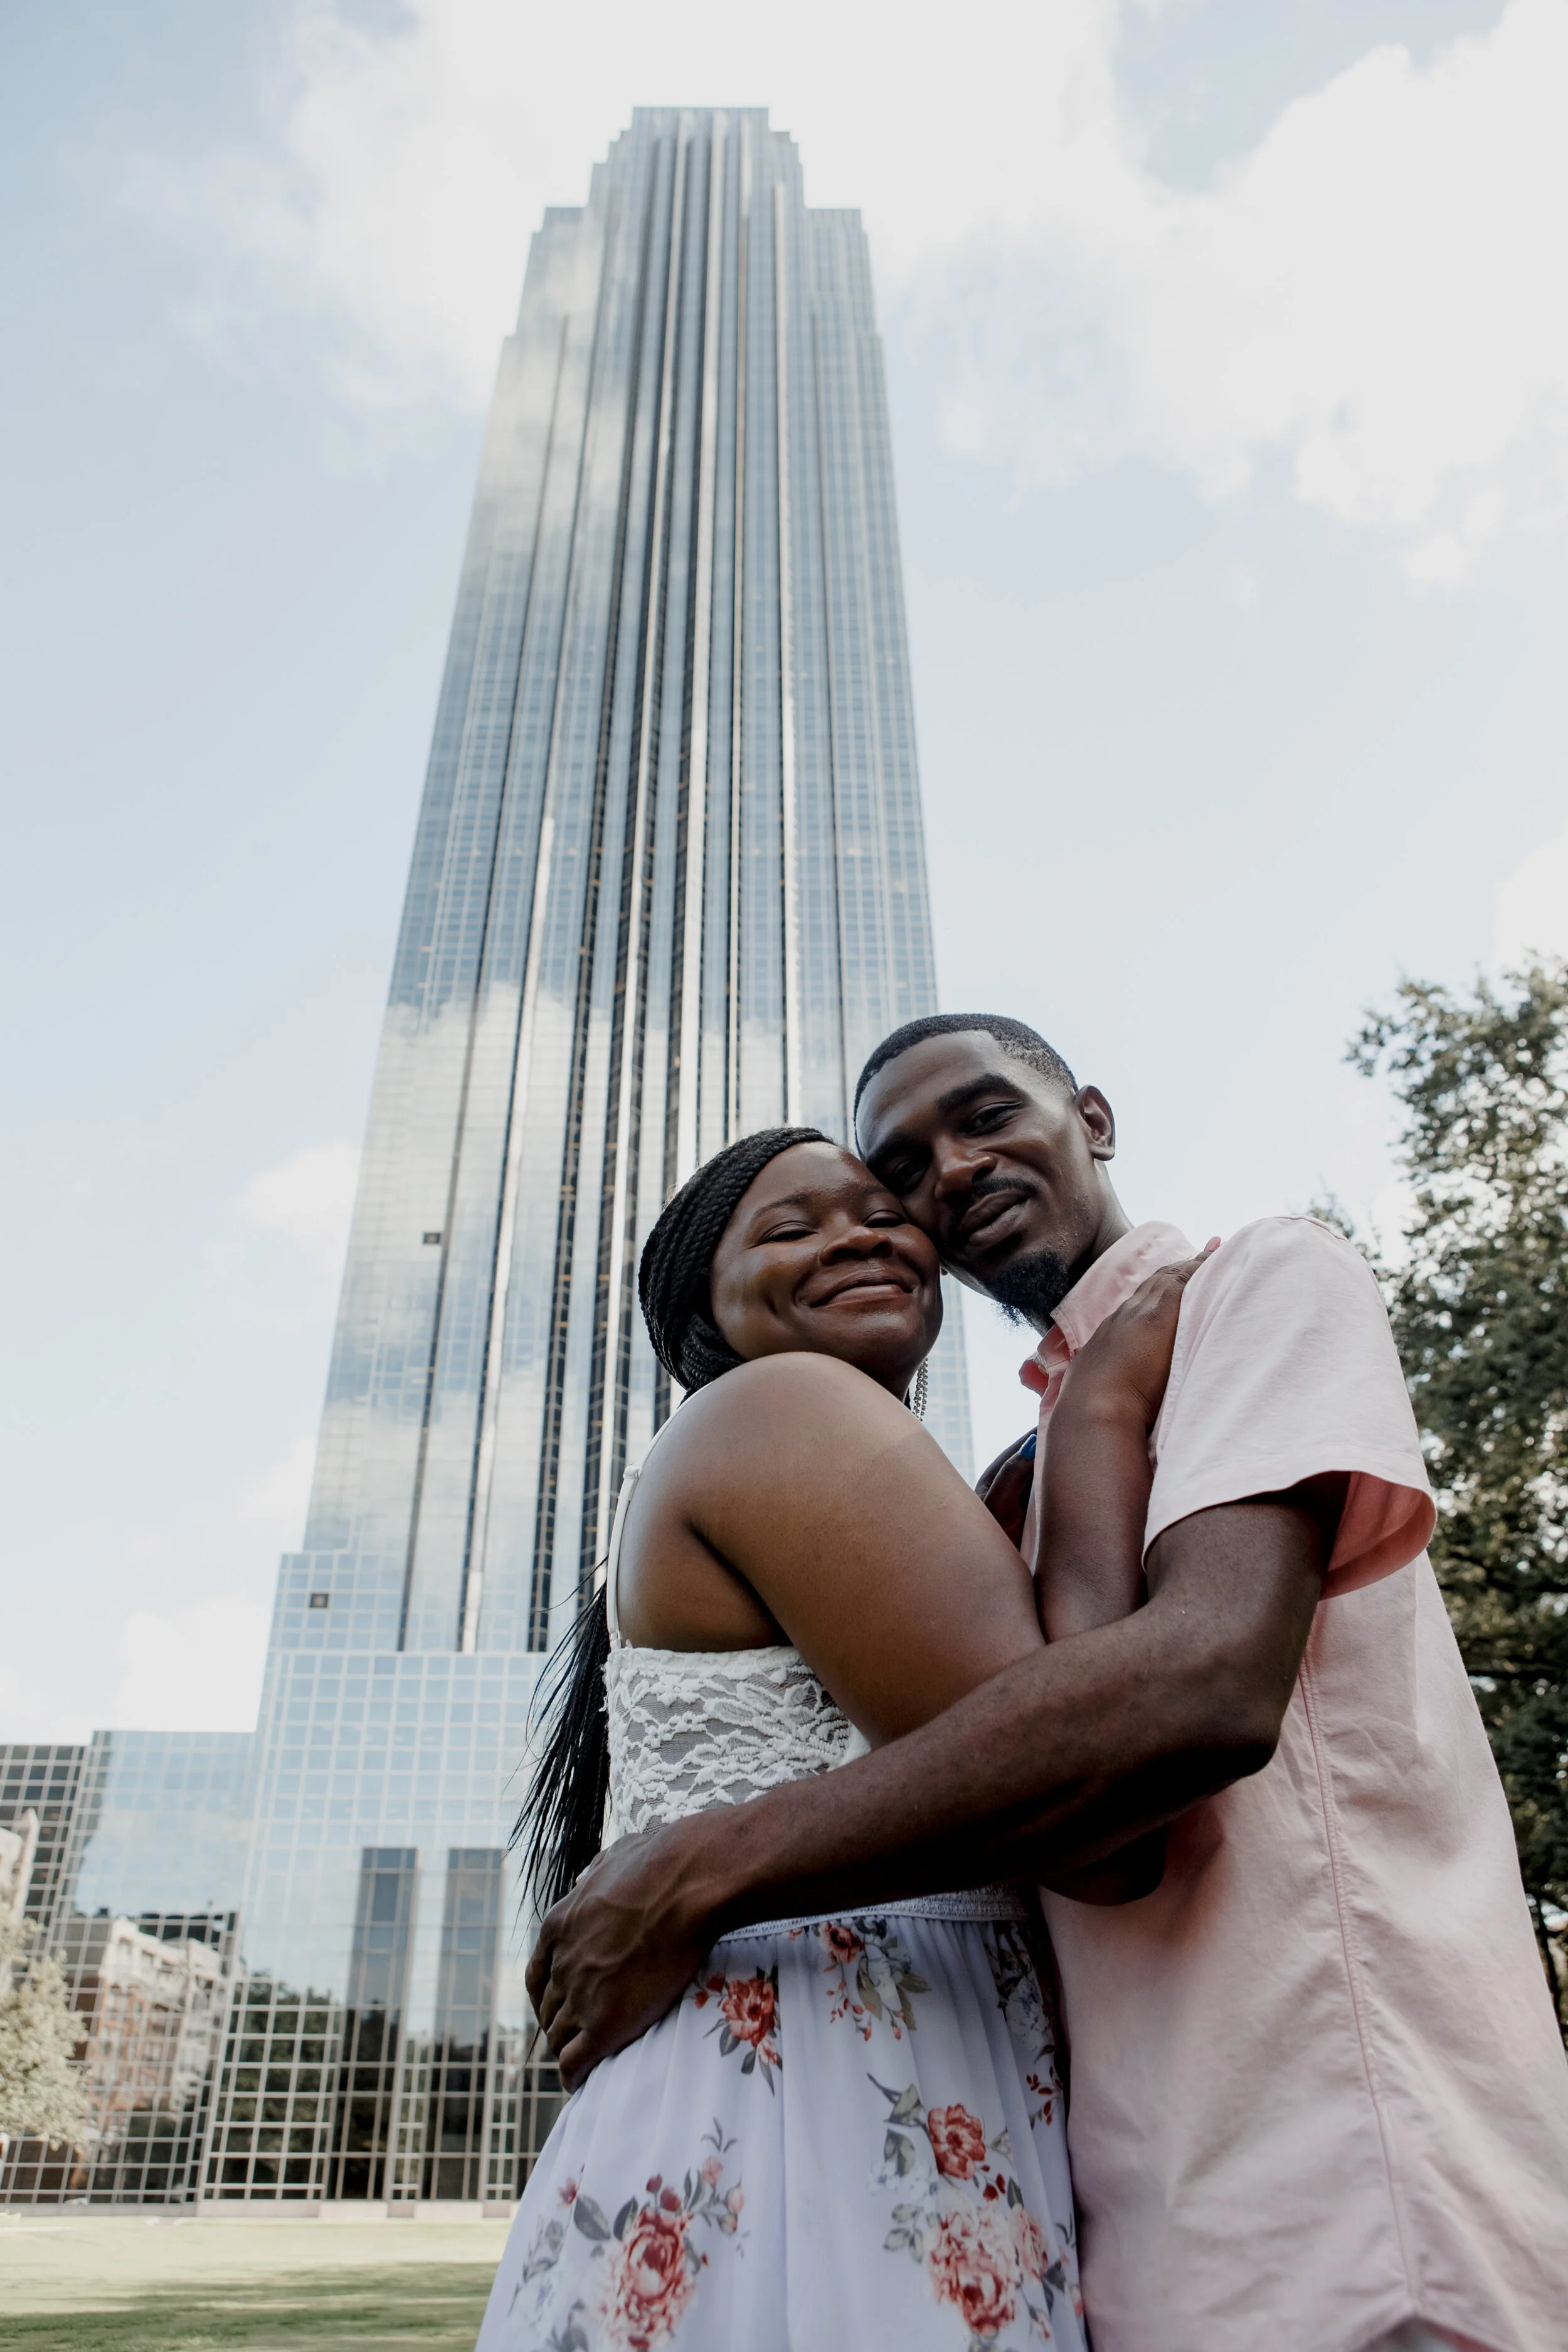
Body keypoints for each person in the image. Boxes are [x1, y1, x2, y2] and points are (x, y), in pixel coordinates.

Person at [528, 1018, 1568, 2352]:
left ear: (1091, 1114)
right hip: (1112, 2201)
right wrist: (1082, 1436)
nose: (940, 1177)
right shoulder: (958, 1475)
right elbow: (1069, 1774)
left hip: (1344, 2172)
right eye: (898, 1164)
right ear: (697, 1319)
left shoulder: (1241, 1288)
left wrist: (700, 1865)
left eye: (983, 1117)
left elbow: (1189, 1692)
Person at [479, 1123, 1203, 2351]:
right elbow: (1090, 1816)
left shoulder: (841, 1465)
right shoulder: (783, 1405)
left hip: (876, 2093)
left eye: (876, 1212)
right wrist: (1096, 1409)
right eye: (789, 1228)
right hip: (814, 2108)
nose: (856, 1236)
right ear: (702, 1316)